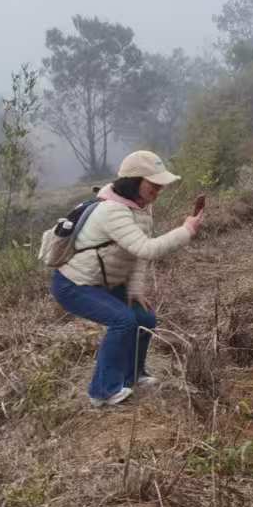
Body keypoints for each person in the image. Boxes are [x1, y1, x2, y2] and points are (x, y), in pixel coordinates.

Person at [51, 150, 203, 407]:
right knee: (122, 320)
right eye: (153, 184)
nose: (159, 189)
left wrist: (134, 291)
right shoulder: (112, 211)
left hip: (104, 282)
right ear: (134, 181)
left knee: (144, 317)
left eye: (160, 184)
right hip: (73, 284)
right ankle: (102, 391)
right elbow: (147, 248)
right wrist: (186, 230)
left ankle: (134, 374)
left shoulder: (141, 209)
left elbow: (135, 256)